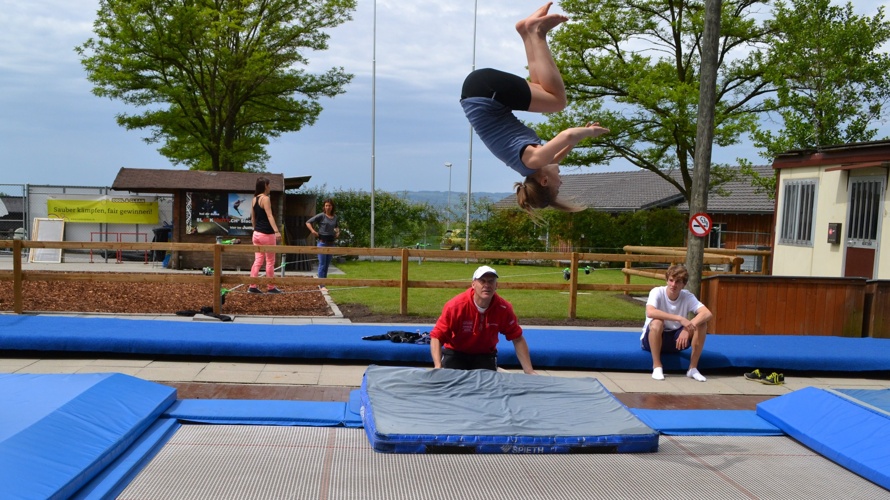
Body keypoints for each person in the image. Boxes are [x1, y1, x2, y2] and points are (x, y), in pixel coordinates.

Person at [460, 2, 609, 216]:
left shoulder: (533, 161)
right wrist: (581, 138)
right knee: (543, 89)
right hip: (480, 92)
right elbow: (559, 153)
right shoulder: (532, 165)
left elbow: (567, 136)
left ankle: (536, 32)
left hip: (486, 93)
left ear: (545, 181)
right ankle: (526, 31)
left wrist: (592, 132)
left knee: (557, 101)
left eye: (558, 186)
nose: (562, 181)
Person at [430, 265, 536, 374]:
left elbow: (517, 338)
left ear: (496, 285)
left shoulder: (503, 308)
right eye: (482, 281)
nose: (487, 285)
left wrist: (529, 371)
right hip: (455, 352)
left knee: (487, 387)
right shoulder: (455, 306)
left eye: (491, 281)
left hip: (484, 355)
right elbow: (437, 336)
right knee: (451, 383)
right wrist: (438, 366)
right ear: (473, 284)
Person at [641, 264, 712, 381]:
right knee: (657, 322)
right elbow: (650, 312)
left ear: (684, 284)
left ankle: (693, 368)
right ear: (667, 280)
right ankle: (657, 366)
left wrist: (687, 328)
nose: (673, 285)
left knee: (702, 324)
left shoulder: (687, 296)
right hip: (652, 339)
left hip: (677, 340)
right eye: (671, 280)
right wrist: (679, 318)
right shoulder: (657, 292)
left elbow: (707, 313)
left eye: (678, 282)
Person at [248, 177, 282, 294]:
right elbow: (269, 216)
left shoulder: (254, 199)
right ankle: (271, 287)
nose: (270, 187)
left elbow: (253, 218)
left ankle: (252, 286)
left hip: (256, 234)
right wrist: (277, 231)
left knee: (258, 260)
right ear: (266, 186)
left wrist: (255, 230)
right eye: (269, 185)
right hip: (267, 234)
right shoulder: (265, 198)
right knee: (270, 261)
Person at [305, 199, 340, 282]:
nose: (328, 207)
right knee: (322, 264)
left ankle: (324, 282)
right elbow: (308, 222)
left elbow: (336, 227)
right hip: (322, 243)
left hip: (331, 243)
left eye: (329, 206)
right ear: (324, 207)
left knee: (327, 265)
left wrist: (338, 232)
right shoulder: (321, 216)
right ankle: (321, 284)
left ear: (332, 207)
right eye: (326, 205)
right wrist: (313, 231)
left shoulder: (335, 217)